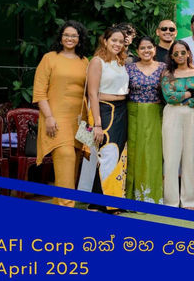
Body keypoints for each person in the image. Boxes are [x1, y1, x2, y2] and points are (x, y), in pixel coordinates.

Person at [32, 20, 89, 207]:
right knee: (66, 156)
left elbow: (90, 92)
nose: (69, 38)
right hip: (55, 118)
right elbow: (39, 92)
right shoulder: (49, 58)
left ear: (79, 39)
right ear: (60, 37)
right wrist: (49, 117)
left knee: (71, 168)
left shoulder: (84, 61)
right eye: (66, 35)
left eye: (74, 35)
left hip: (79, 120)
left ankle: (59, 207)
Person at [86, 26, 130, 209]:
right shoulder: (97, 62)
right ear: (105, 41)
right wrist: (97, 124)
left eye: (121, 41)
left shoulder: (121, 62)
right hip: (105, 110)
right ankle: (98, 204)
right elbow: (92, 94)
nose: (117, 44)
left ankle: (112, 202)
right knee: (107, 153)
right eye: (114, 40)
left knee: (119, 156)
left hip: (121, 110)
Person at [161, 40, 194, 208]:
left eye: (182, 52)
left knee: (189, 158)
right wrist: (188, 93)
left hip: (192, 115)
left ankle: (188, 200)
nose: (180, 55)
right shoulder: (167, 74)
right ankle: (171, 202)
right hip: (172, 114)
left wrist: (183, 98)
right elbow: (169, 97)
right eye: (176, 53)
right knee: (171, 159)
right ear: (171, 56)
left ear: (188, 53)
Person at [125, 36, 165, 204]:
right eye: (142, 48)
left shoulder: (164, 67)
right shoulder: (129, 68)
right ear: (137, 51)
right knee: (135, 153)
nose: (146, 51)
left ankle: (154, 195)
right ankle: (134, 195)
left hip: (156, 112)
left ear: (155, 49)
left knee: (155, 153)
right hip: (134, 113)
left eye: (149, 47)